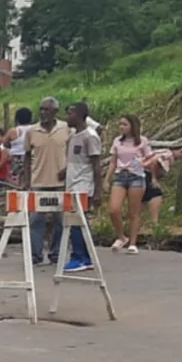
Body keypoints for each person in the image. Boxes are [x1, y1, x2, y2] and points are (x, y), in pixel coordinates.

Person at [24, 97, 70, 265]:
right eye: (41, 109)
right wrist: (27, 181)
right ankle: (35, 255)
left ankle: (56, 253)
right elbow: (27, 157)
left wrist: (67, 169)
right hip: (39, 182)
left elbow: (72, 152)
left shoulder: (65, 128)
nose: (43, 113)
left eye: (47, 110)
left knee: (60, 220)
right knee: (36, 220)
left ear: (55, 112)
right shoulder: (32, 131)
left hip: (60, 184)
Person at [106, 114, 154, 254]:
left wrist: (144, 165)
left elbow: (150, 158)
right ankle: (121, 236)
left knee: (134, 212)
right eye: (120, 124)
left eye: (125, 124)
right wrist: (107, 179)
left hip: (136, 176)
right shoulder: (117, 141)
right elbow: (113, 161)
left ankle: (133, 242)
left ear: (133, 126)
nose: (121, 127)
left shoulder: (142, 141)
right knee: (114, 209)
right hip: (120, 175)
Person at [63, 102, 102, 272]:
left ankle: (80, 257)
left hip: (83, 184)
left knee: (78, 220)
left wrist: (98, 191)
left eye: (70, 113)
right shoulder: (73, 136)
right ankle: (83, 256)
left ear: (80, 115)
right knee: (74, 221)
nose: (67, 117)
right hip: (71, 183)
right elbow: (75, 161)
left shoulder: (90, 136)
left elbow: (96, 165)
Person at [6, 107, 33, 187]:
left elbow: (4, 143)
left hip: (17, 159)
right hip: (31, 158)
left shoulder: (13, 131)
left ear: (17, 119)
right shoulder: (34, 129)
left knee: (16, 183)